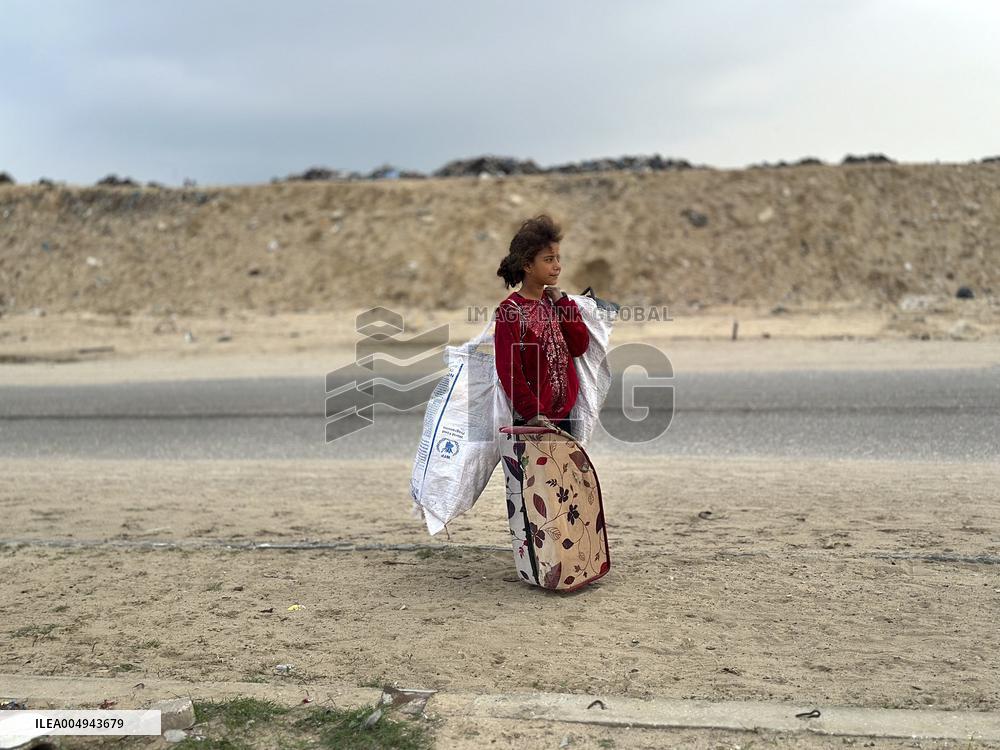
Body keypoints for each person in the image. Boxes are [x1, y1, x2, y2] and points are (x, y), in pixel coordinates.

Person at [494, 214, 590, 437]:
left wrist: (563, 304)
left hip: (565, 414)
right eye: (548, 260)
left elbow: (579, 345)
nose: (557, 266)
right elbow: (509, 370)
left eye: (558, 258)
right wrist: (532, 412)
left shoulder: (555, 302)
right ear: (528, 265)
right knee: (535, 473)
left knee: (565, 472)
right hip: (533, 419)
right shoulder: (511, 311)